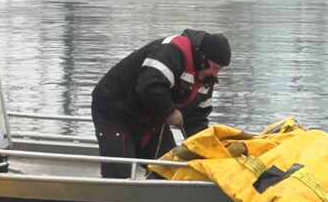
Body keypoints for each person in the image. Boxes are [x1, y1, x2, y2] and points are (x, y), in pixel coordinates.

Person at [90, 29, 230, 178]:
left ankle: (155, 194)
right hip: (115, 109)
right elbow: (149, 85)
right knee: (119, 172)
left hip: (151, 118)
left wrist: (205, 150)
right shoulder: (172, 50)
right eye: (214, 68)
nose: (215, 74)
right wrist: (170, 112)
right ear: (203, 57)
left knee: (169, 168)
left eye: (219, 70)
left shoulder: (206, 80)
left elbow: (197, 120)